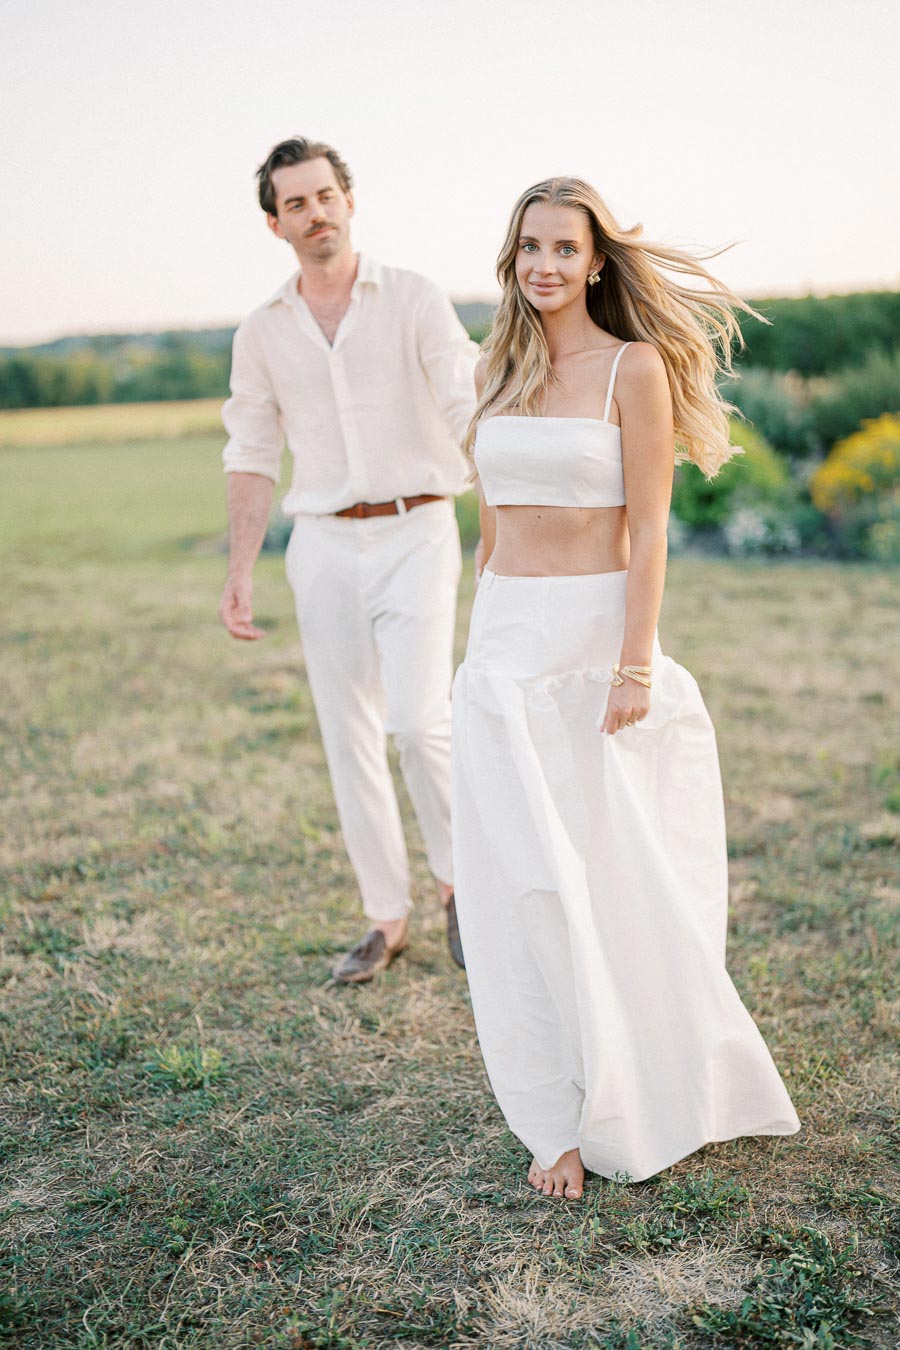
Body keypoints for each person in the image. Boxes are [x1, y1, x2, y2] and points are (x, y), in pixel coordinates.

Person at [451, 177, 800, 1199]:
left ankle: (646, 1077)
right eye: (529, 248)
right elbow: (491, 522)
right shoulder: (495, 366)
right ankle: (552, 1116)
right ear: (511, 261)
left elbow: (649, 528)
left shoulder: (632, 368)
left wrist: (635, 662)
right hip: (505, 641)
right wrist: (484, 637)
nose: (545, 265)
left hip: (596, 637)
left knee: (609, 876)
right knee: (524, 882)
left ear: (596, 258)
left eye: (564, 246)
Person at [219, 137, 479, 981]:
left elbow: (463, 400)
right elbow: (251, 451)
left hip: (417, 528)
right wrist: (239, 570)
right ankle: (385, 916)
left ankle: (460, 889)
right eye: (296, 203)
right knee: (349, 734)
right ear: (274, 223)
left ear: (350, 200)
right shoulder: (261, 332)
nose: (315, 212)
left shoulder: (413, 298)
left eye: (325, 195)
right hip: (323, 543)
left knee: (418, 721)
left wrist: (512, 511)